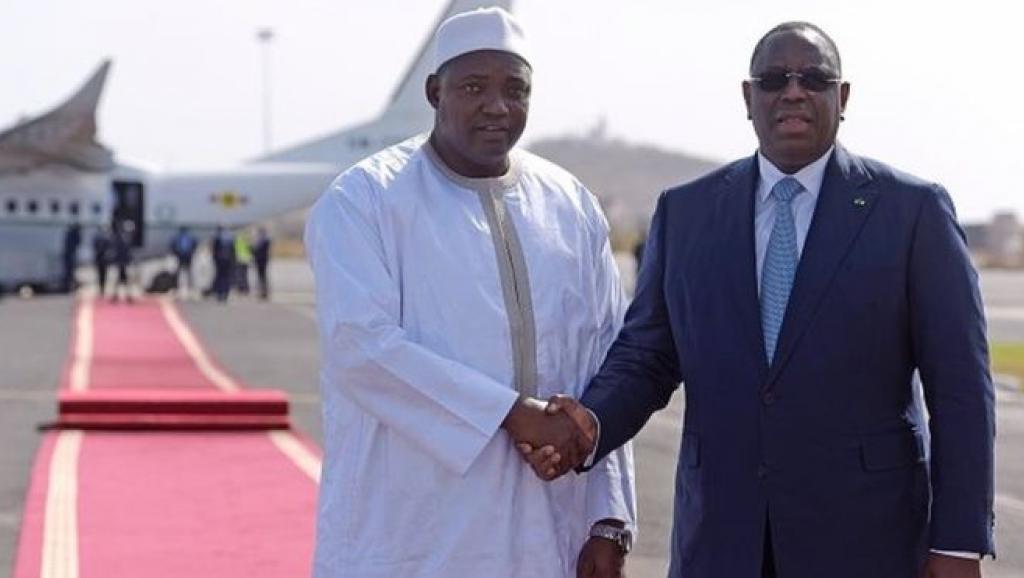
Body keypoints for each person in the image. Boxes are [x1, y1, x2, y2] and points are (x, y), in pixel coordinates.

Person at [525, 21, 995, 578]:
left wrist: (958, 542)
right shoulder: (686, 213)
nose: (793, 92)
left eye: (813, 78)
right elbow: (647, 357)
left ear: (842, 97)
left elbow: (961, 388)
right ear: (749, 98)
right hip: (722, 539)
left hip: (868, 541)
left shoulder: (912, 212)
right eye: (774, 79)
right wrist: (590, 423)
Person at [304, 7, 635, 578]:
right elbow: (359, 348)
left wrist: (609, 520)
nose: (497, 106)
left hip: (549, 531)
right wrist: (511, 414)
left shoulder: (569, 204)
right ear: (435, 92)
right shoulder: (365, 200)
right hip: (411, 534)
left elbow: (607, 361)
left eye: (515, 89)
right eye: (474, 87)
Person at [110, 221, 135, 303]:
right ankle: (116, 295)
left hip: (125, 262)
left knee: (126, 279)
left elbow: (128, 251)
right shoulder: (120, 238)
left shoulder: (127, 238)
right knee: (119, 279)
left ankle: (126, 295)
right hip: (120, 262)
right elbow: (119, 250)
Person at [169, 226, 198, 298]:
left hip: (181, 255)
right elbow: (195, 244)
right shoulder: (189, 237)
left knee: (179, 271)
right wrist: (192, 252)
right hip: (187, 255)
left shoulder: (178, 237)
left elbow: (172, 245)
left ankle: (176, 286)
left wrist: (175, 253)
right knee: (187, 271)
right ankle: (189, 286)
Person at [91, 226, 112, 297]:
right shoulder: (103, 238)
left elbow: (109, 248)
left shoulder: (105, 238)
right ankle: (101, 288)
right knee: (101, 274)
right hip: (101, 259)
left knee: (102, 274)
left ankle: (102, 288)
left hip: (103, 259)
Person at [252, 227, 271, 300]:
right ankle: (262, 292)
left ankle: (263, 292)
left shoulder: (264, 241)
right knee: (261, 277)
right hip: (261, 261)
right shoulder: (262, 241)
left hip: (262, 261)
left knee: (262, 277)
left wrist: (253, 249)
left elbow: (258, 251)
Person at [62, 222, 82, 293]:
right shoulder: (73, 235)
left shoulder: (69, 234)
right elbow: (78, 242)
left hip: (69, 256)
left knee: (69, 273)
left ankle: (68, 286)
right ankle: (68, 287)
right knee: (69, 273)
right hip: (70, 256)